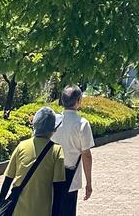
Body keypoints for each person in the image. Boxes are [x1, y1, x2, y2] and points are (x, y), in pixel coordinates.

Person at [0, 106, 67, 216]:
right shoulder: (57, 151)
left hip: (17, 210)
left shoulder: (21, 146)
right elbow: (58, 189)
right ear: (53, 130)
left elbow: (8, 180)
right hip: (42, 210)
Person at [52, 85, 95, 213]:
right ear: (79, 101)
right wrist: (89, 183)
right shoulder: (82, 123)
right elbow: (86, 155)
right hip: (70, 177)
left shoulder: (54, 120)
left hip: (50, 174)